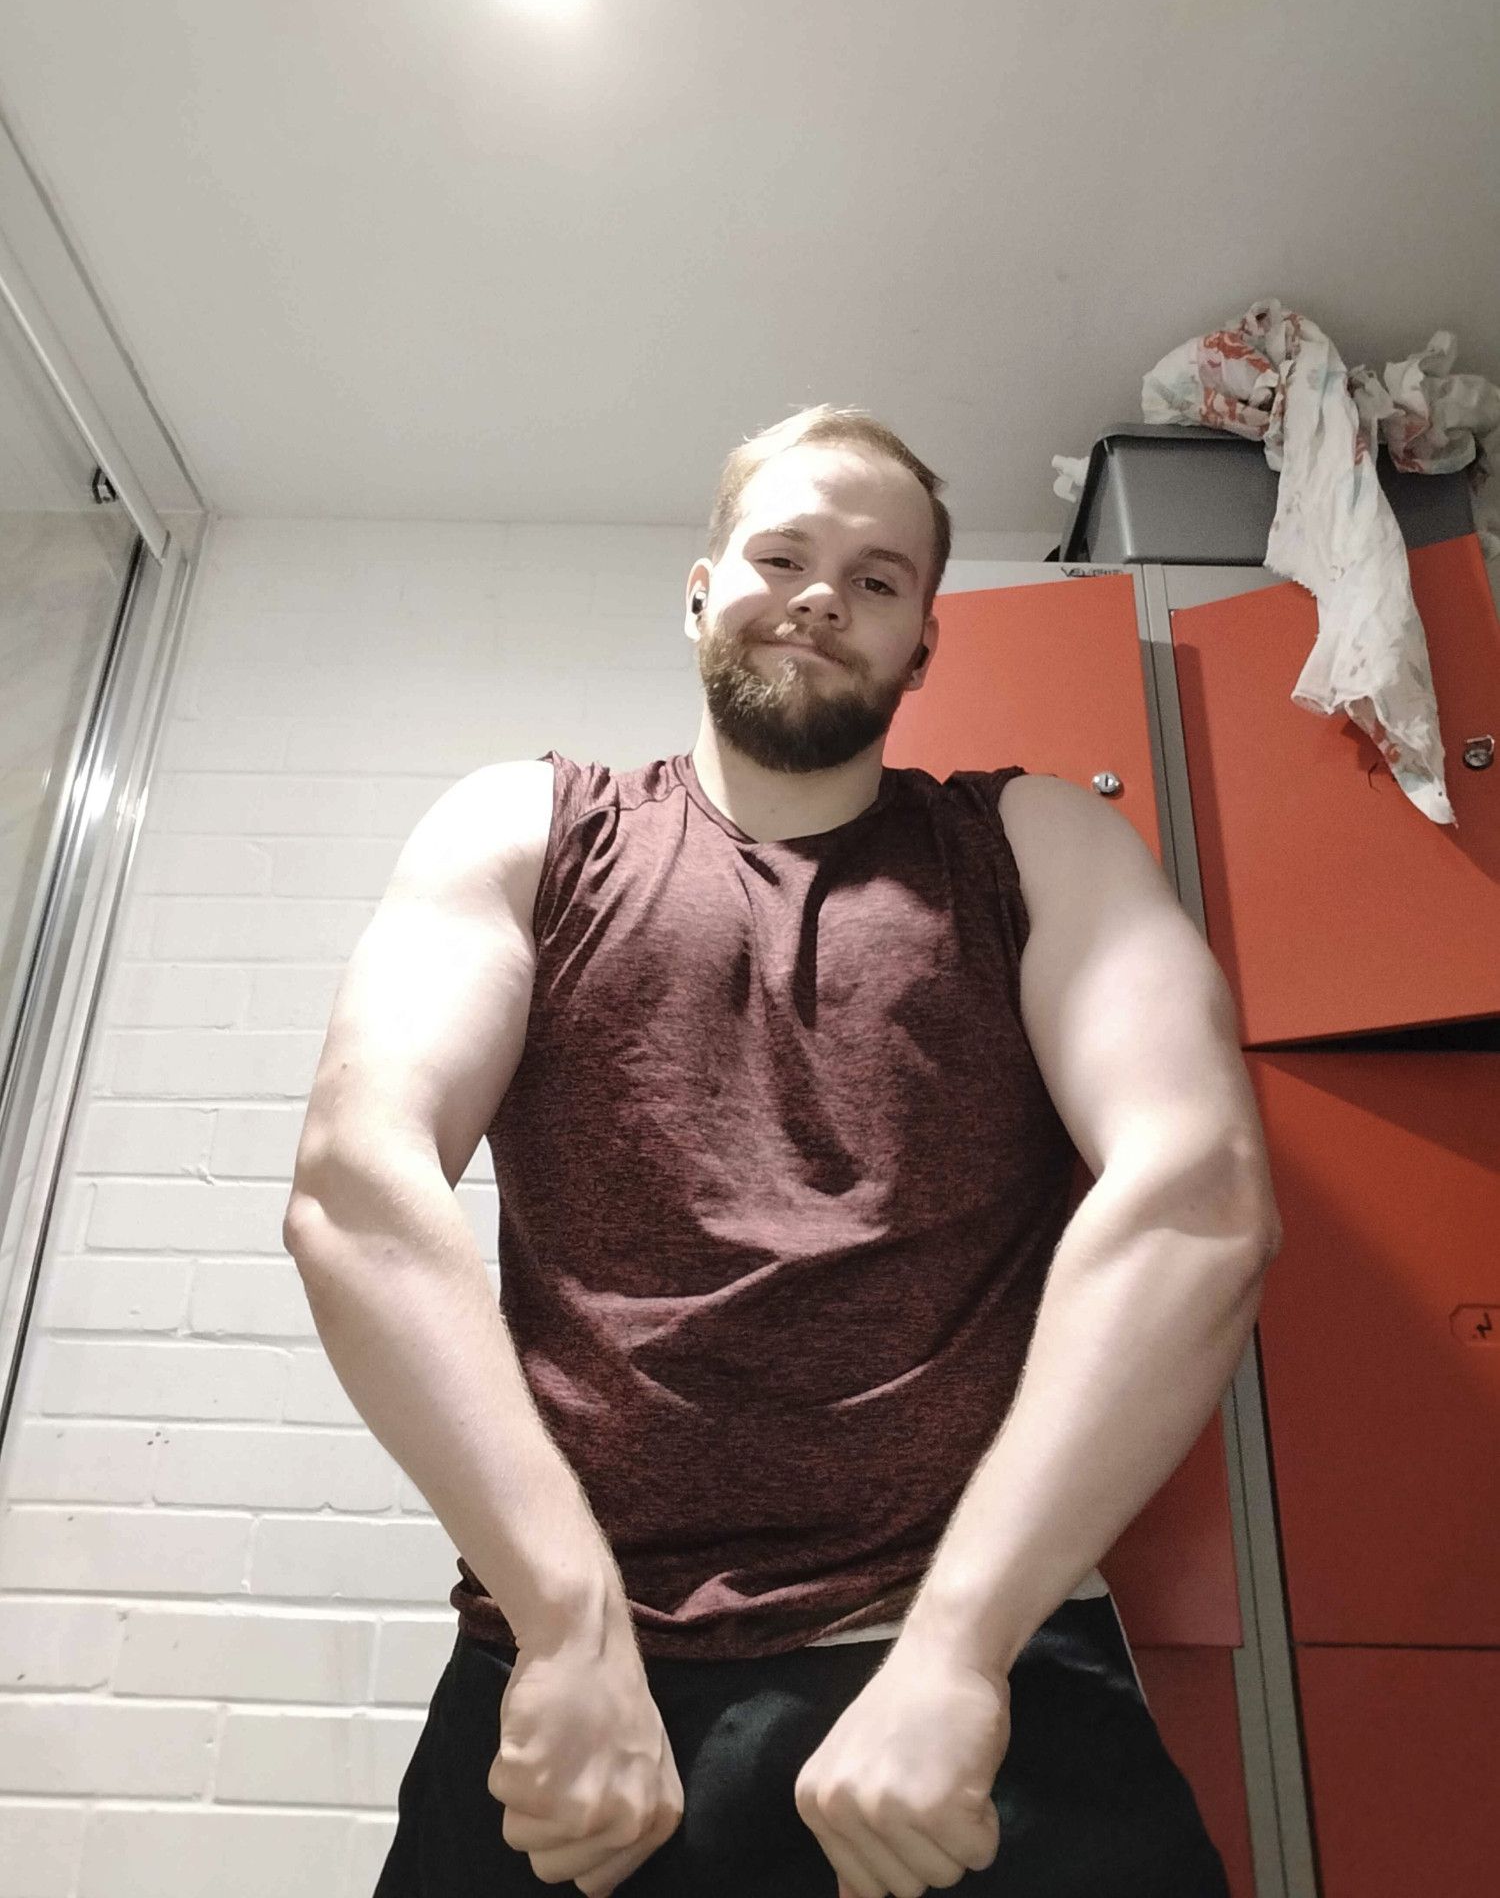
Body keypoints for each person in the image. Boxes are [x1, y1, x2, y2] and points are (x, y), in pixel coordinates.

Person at [283, 405, 1280, 1896]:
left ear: (925, 648)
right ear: (701, 588)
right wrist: (567, 1627)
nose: (825, 593)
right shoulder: (529, 829)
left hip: (956, 1671)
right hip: (575, 1688)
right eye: (785, 553)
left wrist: (958, 1652)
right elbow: (359, 1189)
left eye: (880, 581)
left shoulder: (1038, 846)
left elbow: (1197, 1197)